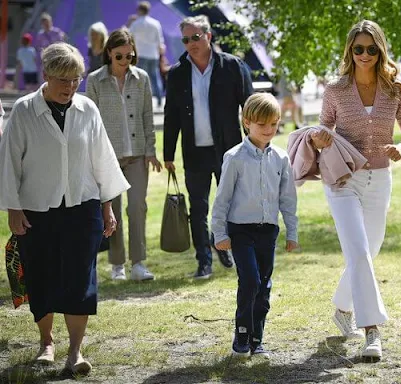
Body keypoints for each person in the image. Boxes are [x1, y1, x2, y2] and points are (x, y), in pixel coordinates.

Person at [0, 42, 130, 375]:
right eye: (63, 80)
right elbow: (9, 163)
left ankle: (75, 351)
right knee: (41, 277)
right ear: (47, 75)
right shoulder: (25, 110)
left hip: (82, 208)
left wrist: (108, 207)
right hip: (36, 211)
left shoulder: (87, 109)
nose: (70, 87)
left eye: (75, 80)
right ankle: (46, 342)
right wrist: (13, 209)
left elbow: (103, 161)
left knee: (80, 280)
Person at [311, 20, 401, 361]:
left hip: (380, 181)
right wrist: (320, 136)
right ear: (350, 50)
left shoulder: (396, 89)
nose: (365, 55)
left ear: (380, 50)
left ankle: (343, 309)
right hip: (343, 180)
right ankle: (371, 331)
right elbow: (324, 126)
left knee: (366, 255)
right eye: (358, 49)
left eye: (372, 49)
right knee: (358, 253)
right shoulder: (336, 89)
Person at [164, 15, 253, 279]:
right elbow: (171, 115)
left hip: (228, 150)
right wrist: (168, 154)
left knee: (231, 204)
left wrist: (253, 144)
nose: (191, 43)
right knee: (198, 208)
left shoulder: (232, 66)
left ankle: (221, 242)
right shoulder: (178, 73)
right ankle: (204, 261)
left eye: (196, 37)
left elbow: (249, 108)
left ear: (208, 36)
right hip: (194, 152)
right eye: (186, 39)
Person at [211, 92, 298, 358]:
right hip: (241, 231)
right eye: (262, 125)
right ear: (247, 122)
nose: (269, 130)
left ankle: (257, 338)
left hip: (267, 231)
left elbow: (288, 199)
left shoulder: (281, 159)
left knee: (264, 284)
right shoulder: (234, 157)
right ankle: (242, 336)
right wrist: (220, 233)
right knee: (249, 281)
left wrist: (291, 233)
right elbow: (222, 198)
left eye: (274, 124)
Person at [86, 28, 162, 281]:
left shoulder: (142, 78)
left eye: (129, 56)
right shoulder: (95, 80)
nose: (125, 61)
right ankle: (117, 264)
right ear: (109, 53)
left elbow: (147, 117)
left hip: (138, 154)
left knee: (137, 207)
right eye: (120, 56)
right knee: (113, 211)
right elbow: (90, 123)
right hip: (108, 157)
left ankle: (139, 263)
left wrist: (151, 150)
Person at [129, 1, 164, 106]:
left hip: (140, 54)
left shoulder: (135, 24)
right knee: (155, 77)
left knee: (140, 78)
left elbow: (130, 39)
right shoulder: (155, 23)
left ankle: (141, 100)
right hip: (153, 54)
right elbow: (159, 40)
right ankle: (159, 99)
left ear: (140, 10)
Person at [35, 13, 66, 82]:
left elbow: (62, 44)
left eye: (48, 23)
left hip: (56, 58)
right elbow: (38, 47)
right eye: (45, 24)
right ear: (42, 24)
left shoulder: (57, 32)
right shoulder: (40, 35)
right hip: (45, 60)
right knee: (44, 78)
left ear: (51, 22)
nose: (47, 25)